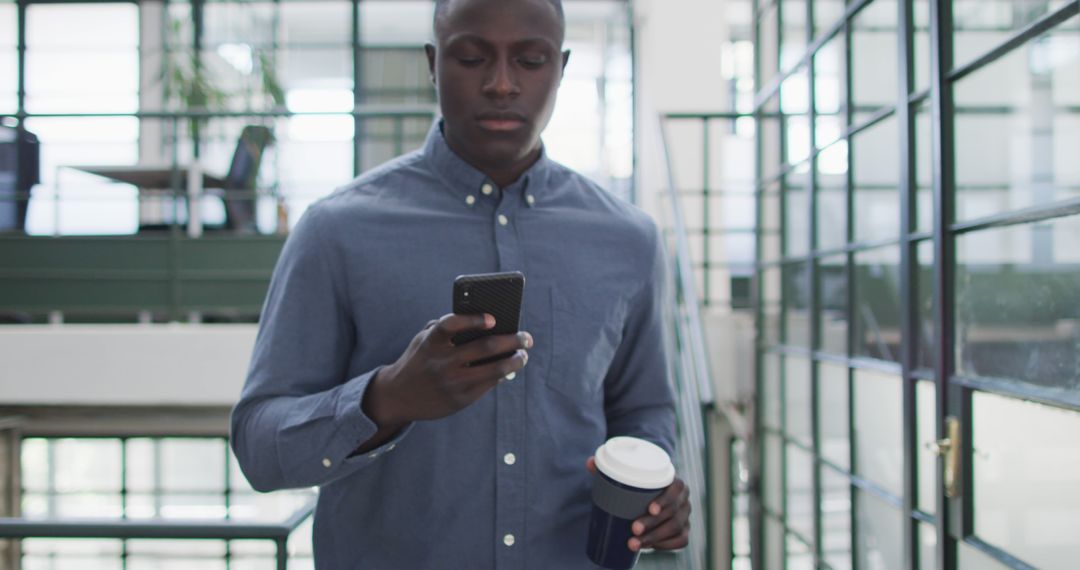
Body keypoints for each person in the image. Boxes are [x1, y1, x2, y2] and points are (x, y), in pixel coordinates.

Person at [230, 0, 691, 567]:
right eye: (472, 57)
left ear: (561, 68)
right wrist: (386, 399)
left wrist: (657, 481)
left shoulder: (630, 240)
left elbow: (644, 411)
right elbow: (258, 447)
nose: (501, 84)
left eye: (530, 59)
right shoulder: (336, 232)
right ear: (433, 62)